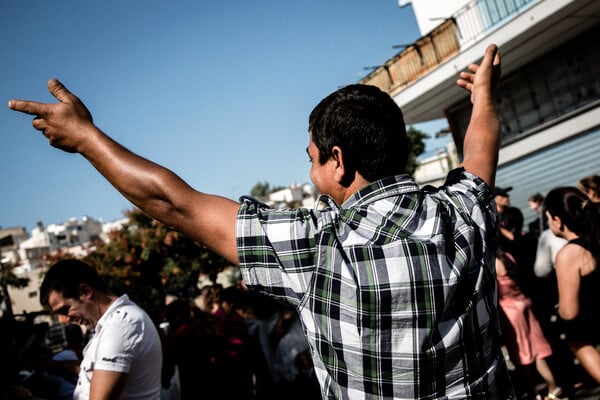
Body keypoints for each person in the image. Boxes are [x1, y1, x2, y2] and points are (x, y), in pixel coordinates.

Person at [9, 44, 513, 398]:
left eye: (312, 157)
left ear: (338, 161)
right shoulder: (464, 210)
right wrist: (483, 96)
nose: (310, 170)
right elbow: (480, 146)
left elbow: (175, 203)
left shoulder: (318, 248)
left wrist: (86, 139)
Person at [39, 259, 163, 399]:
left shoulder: (120, 326)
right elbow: (97, 372)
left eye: (66, 309)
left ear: (85, 292)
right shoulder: (114, 323)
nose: (67, 319)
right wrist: (56, 366)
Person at [544, 187, 600, 383]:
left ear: (558, 220)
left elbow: (569, 312)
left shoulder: (569, 254)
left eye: (548, 218)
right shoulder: (596, 238)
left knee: (576, 340)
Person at [495, 250, 561, 400]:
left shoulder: (491, 262)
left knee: (521, 353)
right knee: (536, 349)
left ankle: (534, 392)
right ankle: (553, 387)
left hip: (510, 311)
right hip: (524, 303)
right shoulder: (507, 255)